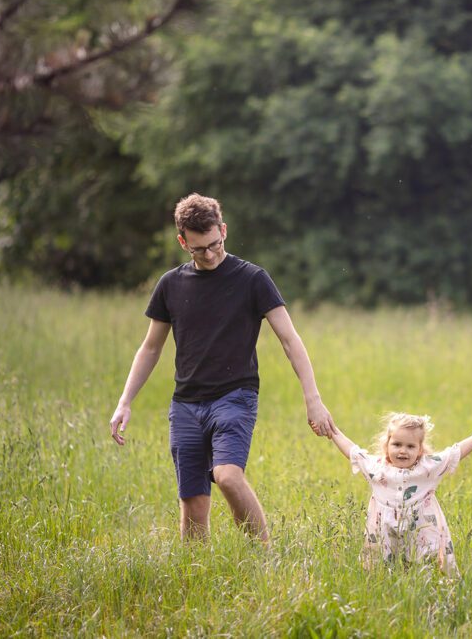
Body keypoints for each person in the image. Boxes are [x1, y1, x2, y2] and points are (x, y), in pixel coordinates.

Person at [109, 193, 334, 542]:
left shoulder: (253, 279)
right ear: (183, 241)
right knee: (193, 506)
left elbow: (290, 340)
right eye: (199, 249)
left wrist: (313, 398)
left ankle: (265, 556)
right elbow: (150, 347)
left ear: (224, 230)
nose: (211, 254)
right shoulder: (171, 284)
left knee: (227, 475)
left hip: (235, 396)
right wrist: (125, 401)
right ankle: (196, 577)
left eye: (215, 244)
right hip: (185, 404)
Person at [327, 412, 472, 574]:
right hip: (385, 533)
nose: (403, 451)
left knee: (423, 570)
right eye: (397, 444)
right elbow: (353, 452)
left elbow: (455, 453)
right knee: (383, 570)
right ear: (387, 445)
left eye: (410, 446)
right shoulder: (377, 467)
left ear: (420, 450)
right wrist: (332, 431)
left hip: (420, 533)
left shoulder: (427, 468)